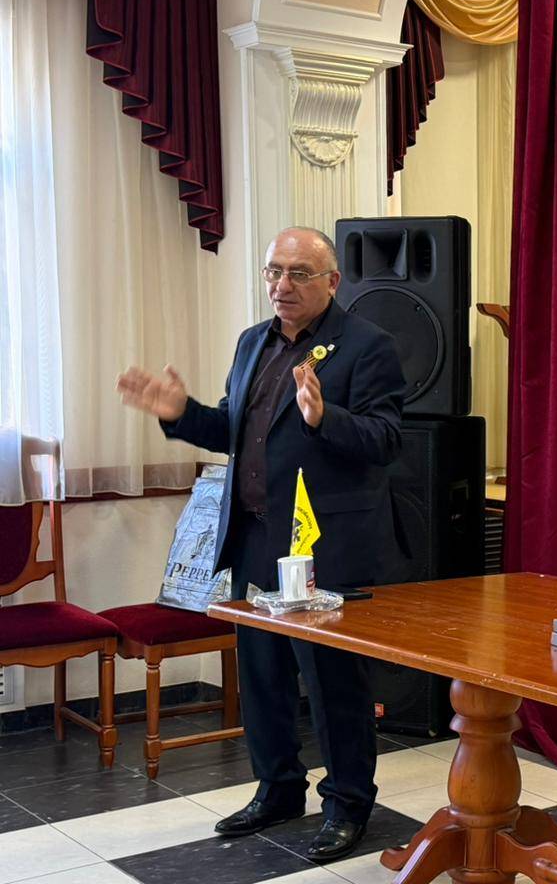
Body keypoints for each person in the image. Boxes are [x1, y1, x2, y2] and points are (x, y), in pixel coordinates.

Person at [117, 226, 405, 862]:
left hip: (322, 546)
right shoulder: (254, 341)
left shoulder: (368, 345)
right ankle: (277, 790)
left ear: (332, 282)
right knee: (264, 675)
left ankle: (348, 803)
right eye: (274, 270)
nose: (282, 285)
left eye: (299, 273)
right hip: (254, 536)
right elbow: (232, 427)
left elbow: (387, 439)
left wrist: (325, 418)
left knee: (333, 682)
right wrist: (180, 411)